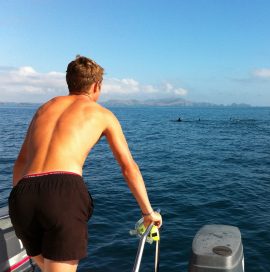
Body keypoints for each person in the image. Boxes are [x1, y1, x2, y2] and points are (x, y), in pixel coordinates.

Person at [8, 56, 162, 272]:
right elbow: (129, 168)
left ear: (69, 82)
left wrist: (21, 196)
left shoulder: (45, 108)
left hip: (22, 194)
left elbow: (21, 161)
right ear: (97, 85)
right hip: (63, 192)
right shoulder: (102, 114)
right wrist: (148, 213)